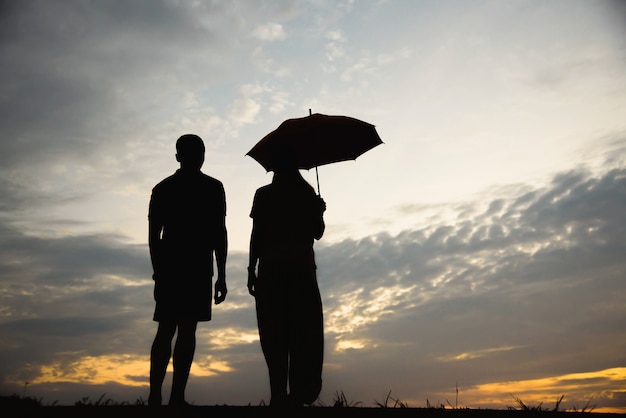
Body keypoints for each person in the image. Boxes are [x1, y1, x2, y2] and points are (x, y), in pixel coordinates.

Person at [147, 134, 228, 406]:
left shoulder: (165, 188)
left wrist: (158, 269)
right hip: (189, 267)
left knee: (171, 329)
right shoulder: (211, 188)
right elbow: (220, 234)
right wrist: (222, 274)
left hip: (182, 267)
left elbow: (153, 237)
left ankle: (165, 396)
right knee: (179, 329)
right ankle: (169, 396)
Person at [247, 150, 326, 407]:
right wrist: (319, 210)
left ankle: (278, 394)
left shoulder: (264, 195)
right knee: (302, 333)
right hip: (302, 272)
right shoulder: (306, 195)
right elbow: (318, 233)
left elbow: (256, 235)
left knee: (274, 335)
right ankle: (298, 394)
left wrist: (251, 268)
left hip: (271, 272)